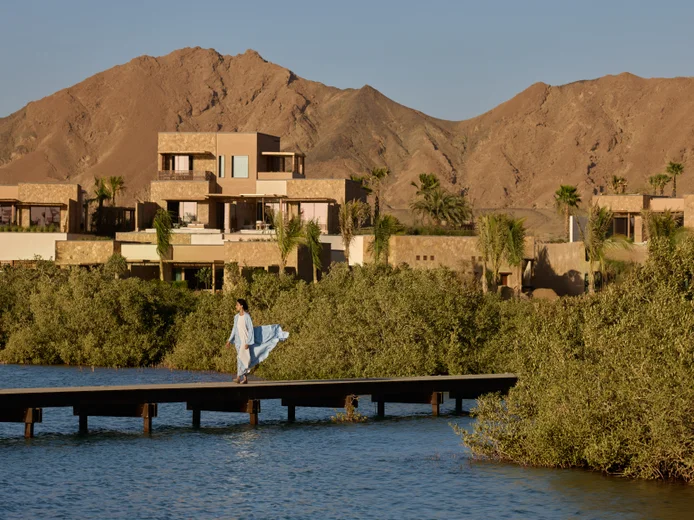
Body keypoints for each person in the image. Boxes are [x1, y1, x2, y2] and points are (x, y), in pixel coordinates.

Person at [225, 298, 289, 384]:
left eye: (237, 305)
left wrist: (248, 342)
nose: (235, 306)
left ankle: (238, 377)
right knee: (242, 358)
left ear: (241, 306)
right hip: (238, 341)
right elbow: (234, 329)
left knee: (240, 358)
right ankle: (244, 378)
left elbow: (251, 330)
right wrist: (229, 340)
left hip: (245, 340)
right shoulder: (236, 317)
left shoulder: (247, 317)